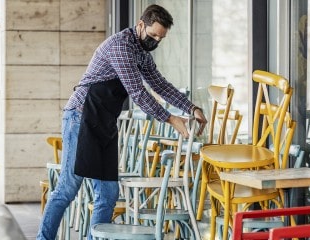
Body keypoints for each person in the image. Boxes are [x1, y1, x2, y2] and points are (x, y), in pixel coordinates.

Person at [36, 4, 207, 240]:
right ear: (140, 25)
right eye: (153, 34)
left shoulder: (142, 53)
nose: (156, 41)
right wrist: (170, 118)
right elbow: (137, 92)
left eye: (161, 37)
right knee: (67, 188)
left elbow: (159, 85)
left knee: (108, 194)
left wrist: (192, 107)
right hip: (81, 117)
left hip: (104, 122)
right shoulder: (121, 46)